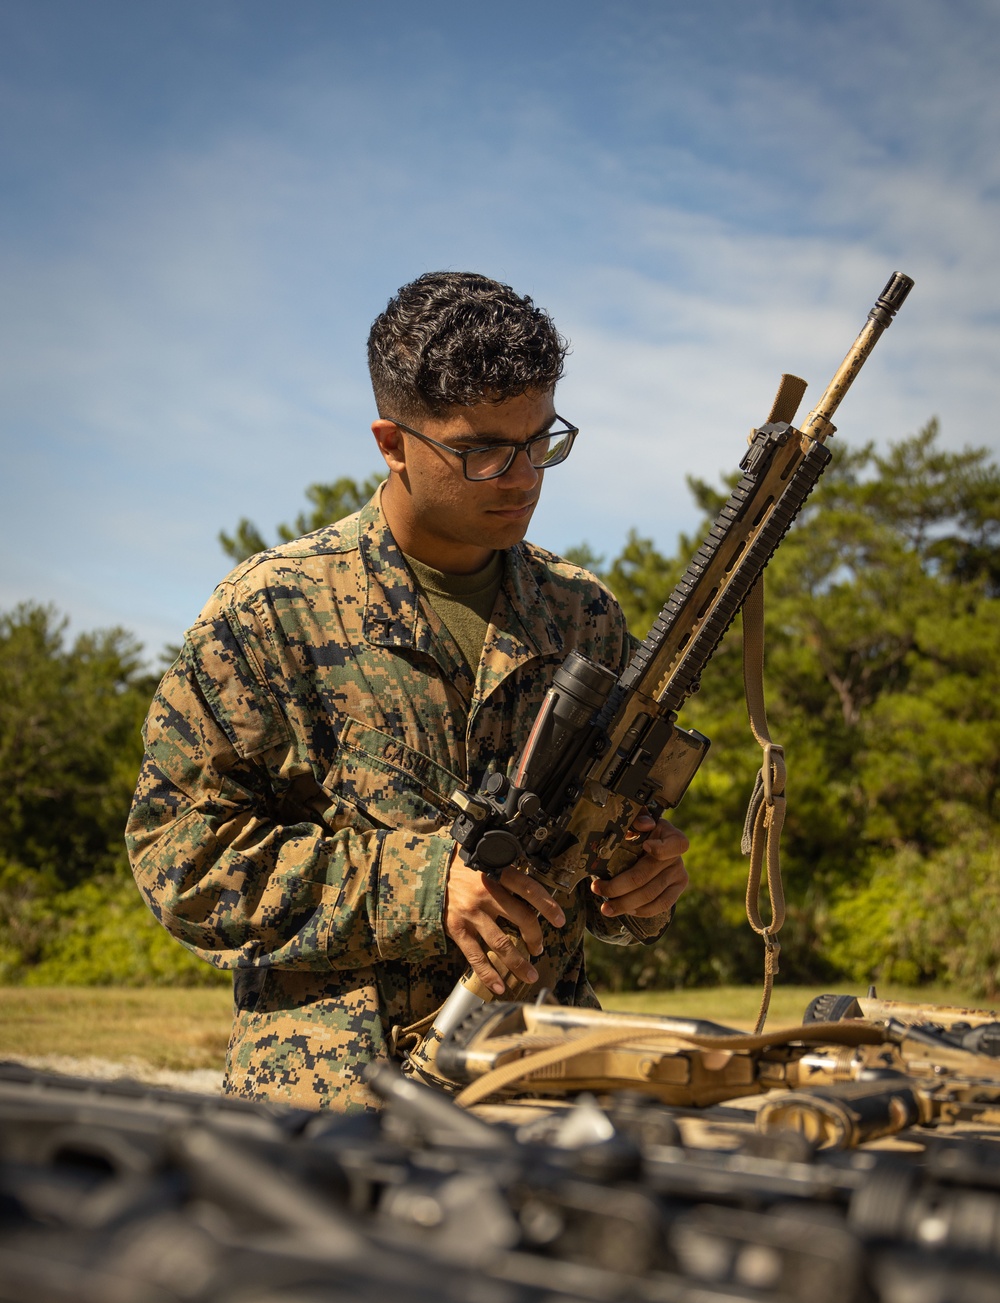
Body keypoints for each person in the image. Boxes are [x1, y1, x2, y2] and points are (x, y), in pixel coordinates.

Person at [126, 271, 689, 1110]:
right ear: (393, 443)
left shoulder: (582, 616)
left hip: (544, 1086)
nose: (523, 476)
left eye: (542, 440)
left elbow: (592, 857)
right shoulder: (271, 612)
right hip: (333, 1108)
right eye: (483, 450)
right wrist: (427, 885)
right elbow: (178, 858)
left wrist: (637, 886)